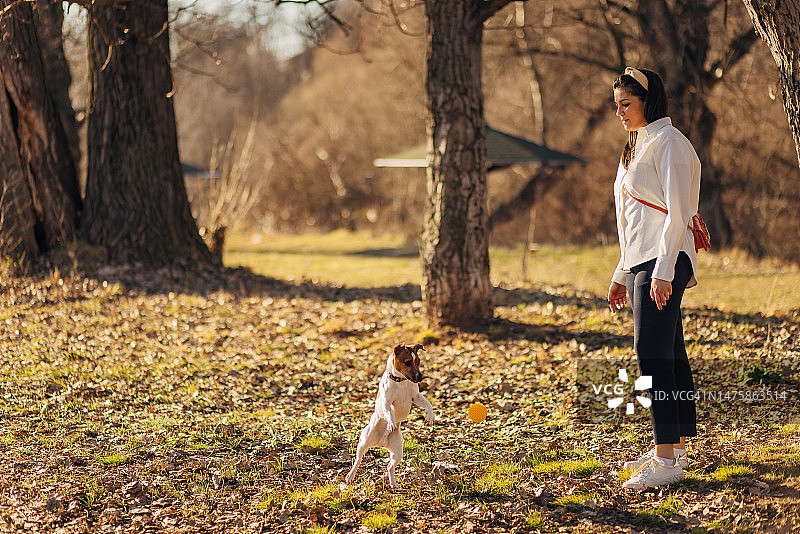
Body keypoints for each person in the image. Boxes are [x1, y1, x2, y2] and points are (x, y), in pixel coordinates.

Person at [607, 67, 701, 490]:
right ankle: (675, 447)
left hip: (666, 260)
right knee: (670, 353)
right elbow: (632, 219)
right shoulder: (635, 148)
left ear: (648, 99)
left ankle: (665, 459)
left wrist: (662, 271)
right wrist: (622, 272)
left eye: (626, 104)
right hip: (642, 261)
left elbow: (678, 214)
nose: (620, 113)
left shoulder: (671, 143)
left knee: (651, 354)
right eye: (616, 107)